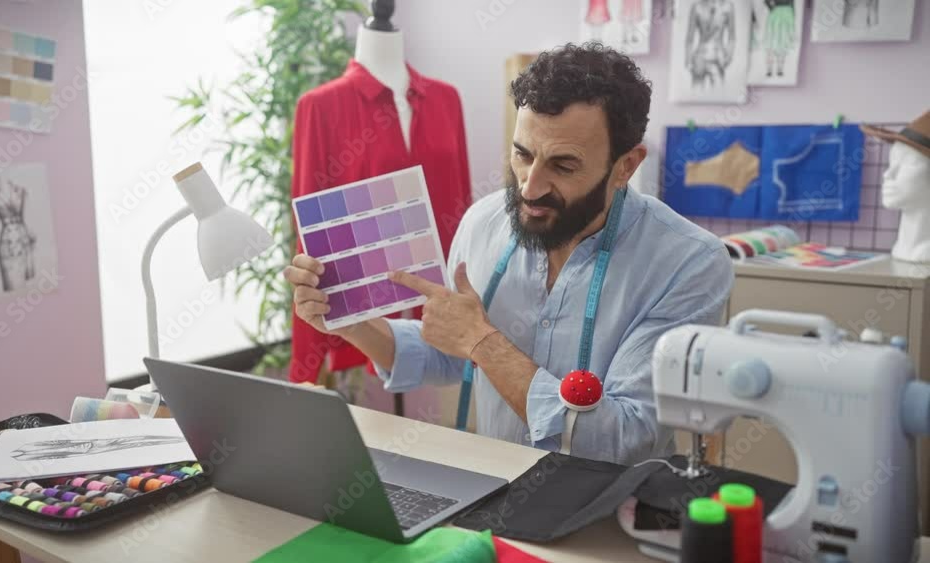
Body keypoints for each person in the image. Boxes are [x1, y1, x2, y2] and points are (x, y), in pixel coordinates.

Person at [284, 42, 734, 465]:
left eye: (563, 165)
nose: (530, 187)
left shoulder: (689, 264)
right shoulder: (483, 223)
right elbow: (448, 355)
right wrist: (350, 321)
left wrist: (482, 340)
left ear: (626, 166)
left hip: (609, 523)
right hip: (494, 498)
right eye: (522, 155)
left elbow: (621, 439)